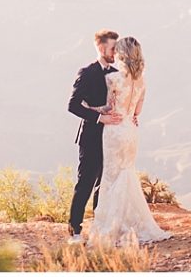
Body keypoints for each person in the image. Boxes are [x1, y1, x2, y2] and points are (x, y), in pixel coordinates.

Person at [84, 36, 172, 247]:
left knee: (111, 177)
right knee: (127, 174)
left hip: (114, 131)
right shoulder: (142, 81)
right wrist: (130, 112)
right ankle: (133, 223)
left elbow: (108, 108)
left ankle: (111, 226)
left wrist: (90, 108)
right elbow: (137, 111)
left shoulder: (113, 79)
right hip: (131, 131)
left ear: (121, 55)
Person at [66, 29, 123, 244]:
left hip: (112, 137)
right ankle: (75, 230)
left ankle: (100, 228)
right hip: (91, 136)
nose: (115, 52)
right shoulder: (86, 72)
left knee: (105, 183)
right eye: (112, 48)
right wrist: (99, 118)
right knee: (86, 183)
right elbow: (72, 105)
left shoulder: (116, 73)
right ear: (101, 48)